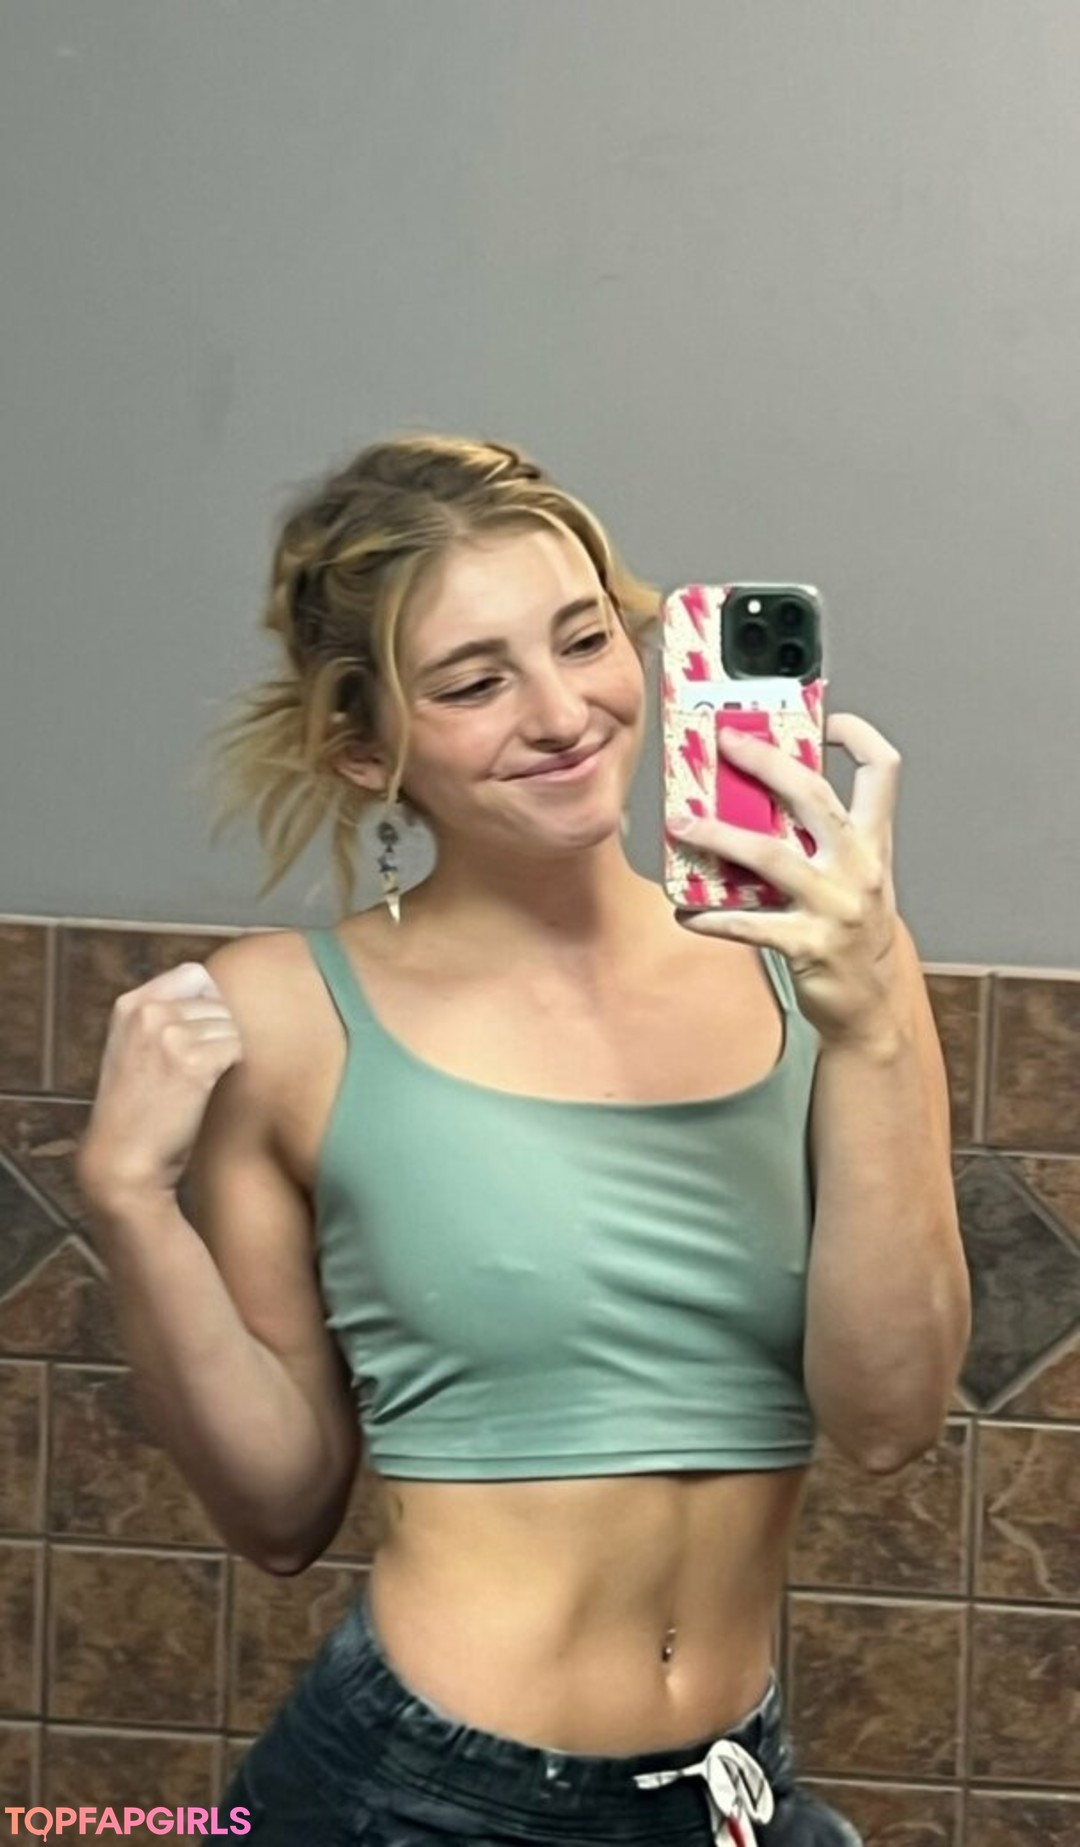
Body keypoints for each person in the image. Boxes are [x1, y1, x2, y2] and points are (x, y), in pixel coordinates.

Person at [77, 435, 971, 1846]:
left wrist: (867, 1030)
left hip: (725, 1795)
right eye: (473, 682)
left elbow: (890, 1422)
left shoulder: (828, 960)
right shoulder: (290, 1017)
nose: (562, 715)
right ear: (366, 748)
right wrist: (129, 1198)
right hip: (414, 1797)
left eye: (584, 640)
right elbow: (279, 1511)